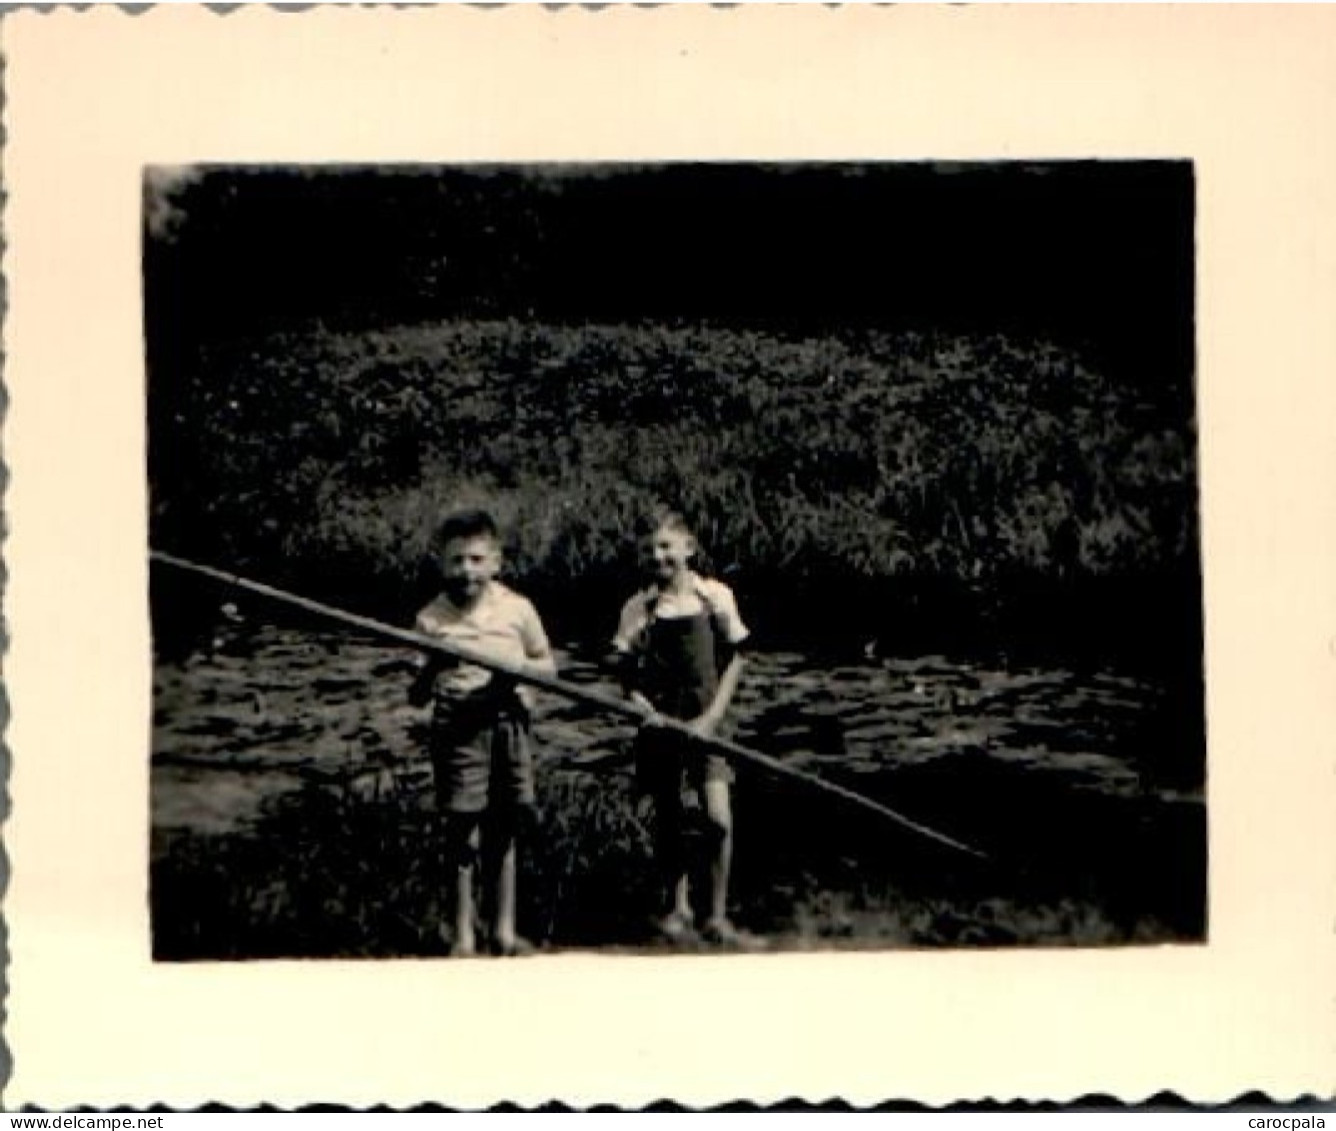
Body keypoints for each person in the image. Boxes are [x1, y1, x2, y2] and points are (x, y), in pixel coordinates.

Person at [409, 509, 555, 957]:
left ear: (496, 562)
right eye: (456, 561)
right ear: (441, 562)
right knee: (463, 834)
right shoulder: (431, 619)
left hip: (508, 725)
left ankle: (504, 932)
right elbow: (416, 696)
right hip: (457, 731)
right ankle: (463, 936)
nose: (466, 571)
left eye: (475, 559)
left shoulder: (517, 608)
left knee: (504, 828)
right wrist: (432, 666)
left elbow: (548, 666)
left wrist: (520, 671)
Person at [611, 509, 757, 948]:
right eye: (650, 549)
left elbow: (737, 657)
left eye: (667, 547)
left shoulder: (714, 597)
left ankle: (717, 914)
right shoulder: (639, 608)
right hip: (661, 726)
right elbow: (623, 674)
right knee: (670, 819)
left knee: (718, 820)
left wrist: (712, 718)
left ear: (689, 549)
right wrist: (642, 710)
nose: (658, 557)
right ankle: (679, 908)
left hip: (708, 722)